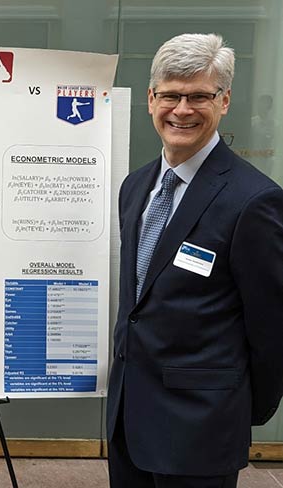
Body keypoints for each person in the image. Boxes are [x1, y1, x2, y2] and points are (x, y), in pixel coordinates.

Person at [106, 33, 283, 487]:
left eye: (199, 96)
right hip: (129, 421)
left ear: (224, 102)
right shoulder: (135, 187)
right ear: (150, 99)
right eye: (170, 95)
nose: (181, 110)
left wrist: (241, 407)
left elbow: (271, 327)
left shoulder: (255, 201)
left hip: (201, 430)